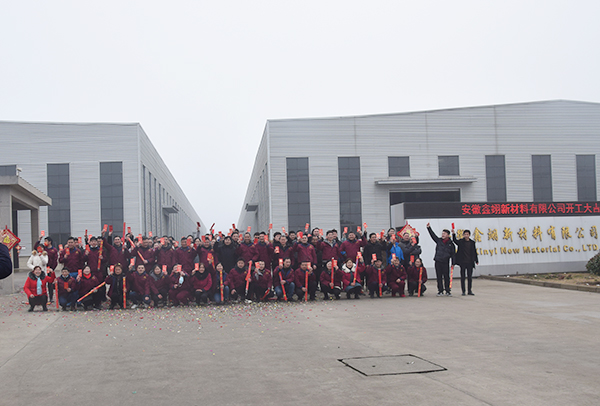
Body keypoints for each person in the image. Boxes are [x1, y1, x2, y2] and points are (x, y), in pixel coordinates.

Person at [427, 223, 455, 296]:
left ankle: (448, 291)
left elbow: (453, 254)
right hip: (438, 261)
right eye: (442, 233)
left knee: (446, 277)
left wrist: (453, 263)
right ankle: (440, 291)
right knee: (439, 277)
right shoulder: (439, 241)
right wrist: (429, 228)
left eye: (444, 234)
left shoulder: (451, 244)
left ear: (448, 235)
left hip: (445, 262)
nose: (443, 235)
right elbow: (433, 235)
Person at [453, 229, 479, 296]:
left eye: (467, 234)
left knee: (470, 277)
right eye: (465, 234)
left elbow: (474, 252)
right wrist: (453, 234)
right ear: (463, 235)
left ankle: (469, 290)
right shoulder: (461, 242)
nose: (466, 235)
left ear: (469, 235)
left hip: (470, 262)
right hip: (463, 262)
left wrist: (476, 260)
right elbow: (455, 241)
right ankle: (463, 291)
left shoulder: (472, 242)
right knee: (463, 277)